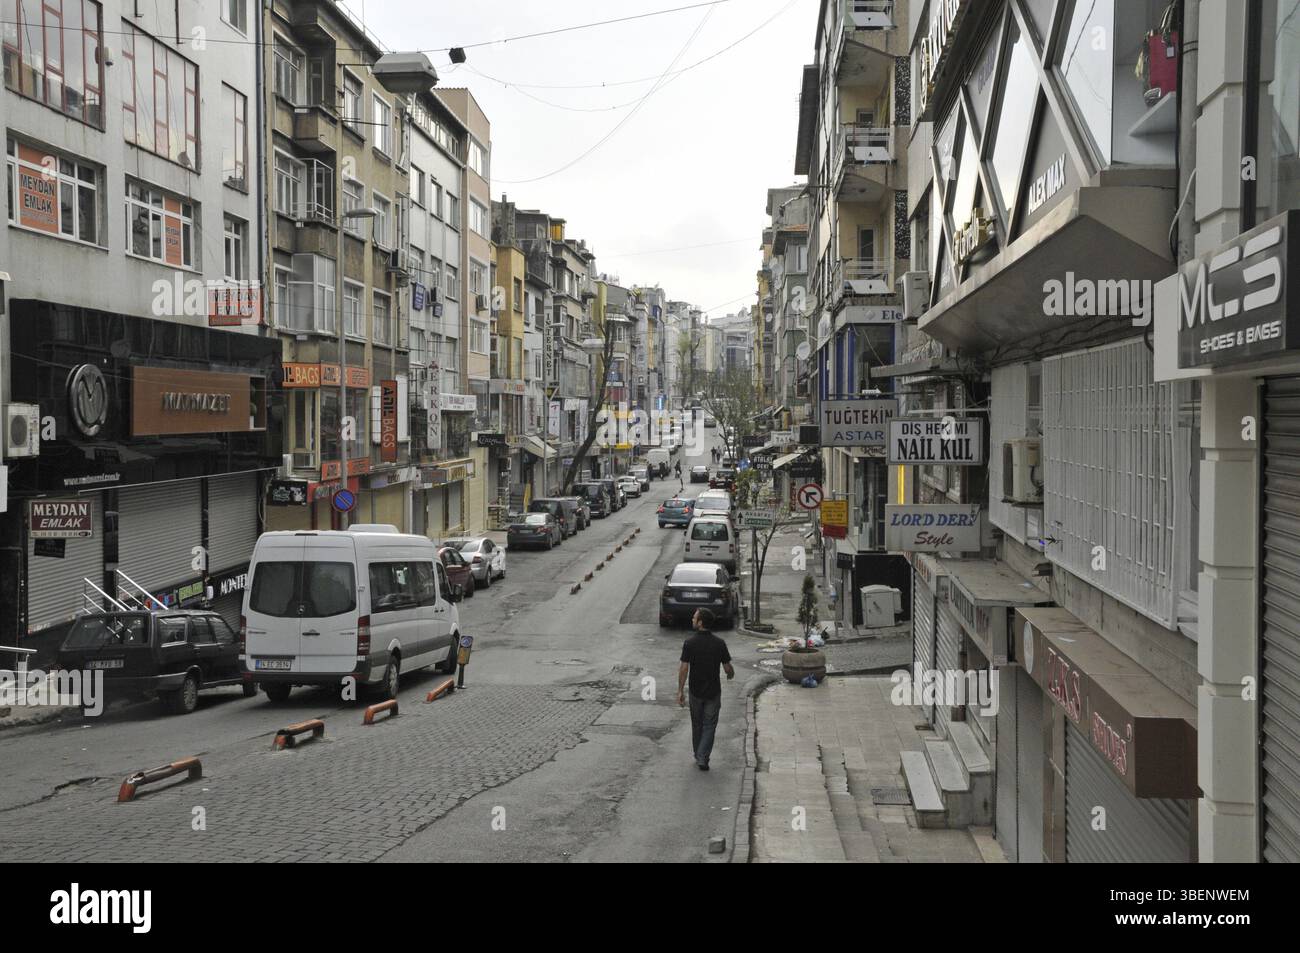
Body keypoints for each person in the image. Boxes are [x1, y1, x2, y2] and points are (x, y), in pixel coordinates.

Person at [678, 609, 734, 770]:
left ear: (701, 622)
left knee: (697, 725)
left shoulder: (690, 643)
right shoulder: (719, 643)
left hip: (695, 691)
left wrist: (680, 690)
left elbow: (683, 668)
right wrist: (730, 674)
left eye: (695, 618)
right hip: (713, 692)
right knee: (709, 725)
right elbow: (727, 667)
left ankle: (699, 755)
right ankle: (702, 755)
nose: (692, 619)